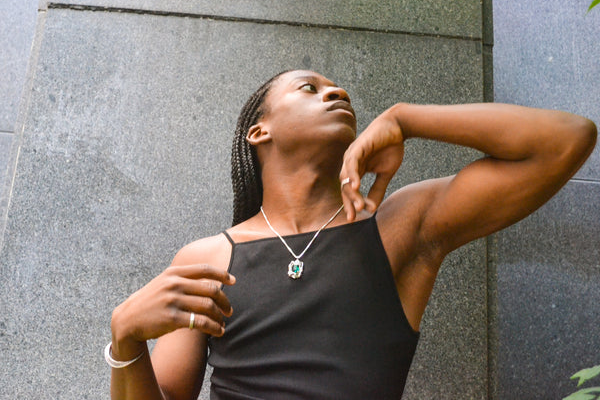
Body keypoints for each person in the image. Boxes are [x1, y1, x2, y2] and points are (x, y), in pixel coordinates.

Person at [107, 70, 596, 399]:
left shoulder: (400, 228)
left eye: (339, 90)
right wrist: (125, 338)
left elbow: (566, 141)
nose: (336, 93)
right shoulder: (208, 257)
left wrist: (407, 118)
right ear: (260, 133)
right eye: (309, 89)